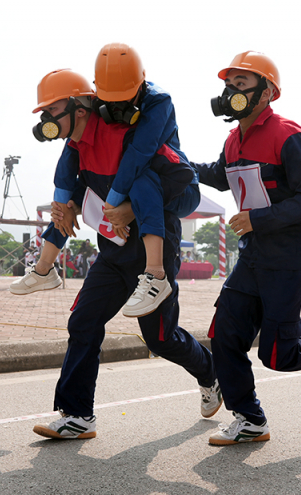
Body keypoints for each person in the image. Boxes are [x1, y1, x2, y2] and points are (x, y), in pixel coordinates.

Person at [23, 69, 220, 440]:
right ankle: (77, 415)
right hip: (112, 253)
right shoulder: (75, 148)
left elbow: (179, 179)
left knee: (160, 338)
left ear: (80, 108)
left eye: (52, 109)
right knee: (83, 322)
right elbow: (82, 189)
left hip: (154, 243)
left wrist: (128, 207)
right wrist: (68, 207)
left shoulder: (128, 133)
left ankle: (209, 371)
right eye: (43, 112)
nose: (46, 119)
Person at [191, 51, 301, 446]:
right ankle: (250, 420)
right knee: (225, 336)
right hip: (254, 253)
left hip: (291, 255)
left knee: (278, 354)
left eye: (242, 84)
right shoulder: (233, 139)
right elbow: (220, 176)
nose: (231, 92)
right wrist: (175, 161)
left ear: (267, 92)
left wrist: (258, 219)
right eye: (229, 84)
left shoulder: (290, 135)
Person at [94, 42, 201, 317]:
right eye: (110, 99)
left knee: (141, 177)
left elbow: (140, 152)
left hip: (178, 185)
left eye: (124, 98)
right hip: (142, 193)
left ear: (141, 85)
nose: (116, 106)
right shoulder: (96, 103)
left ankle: (156, 275)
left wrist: (115, 205)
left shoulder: (159, 101)